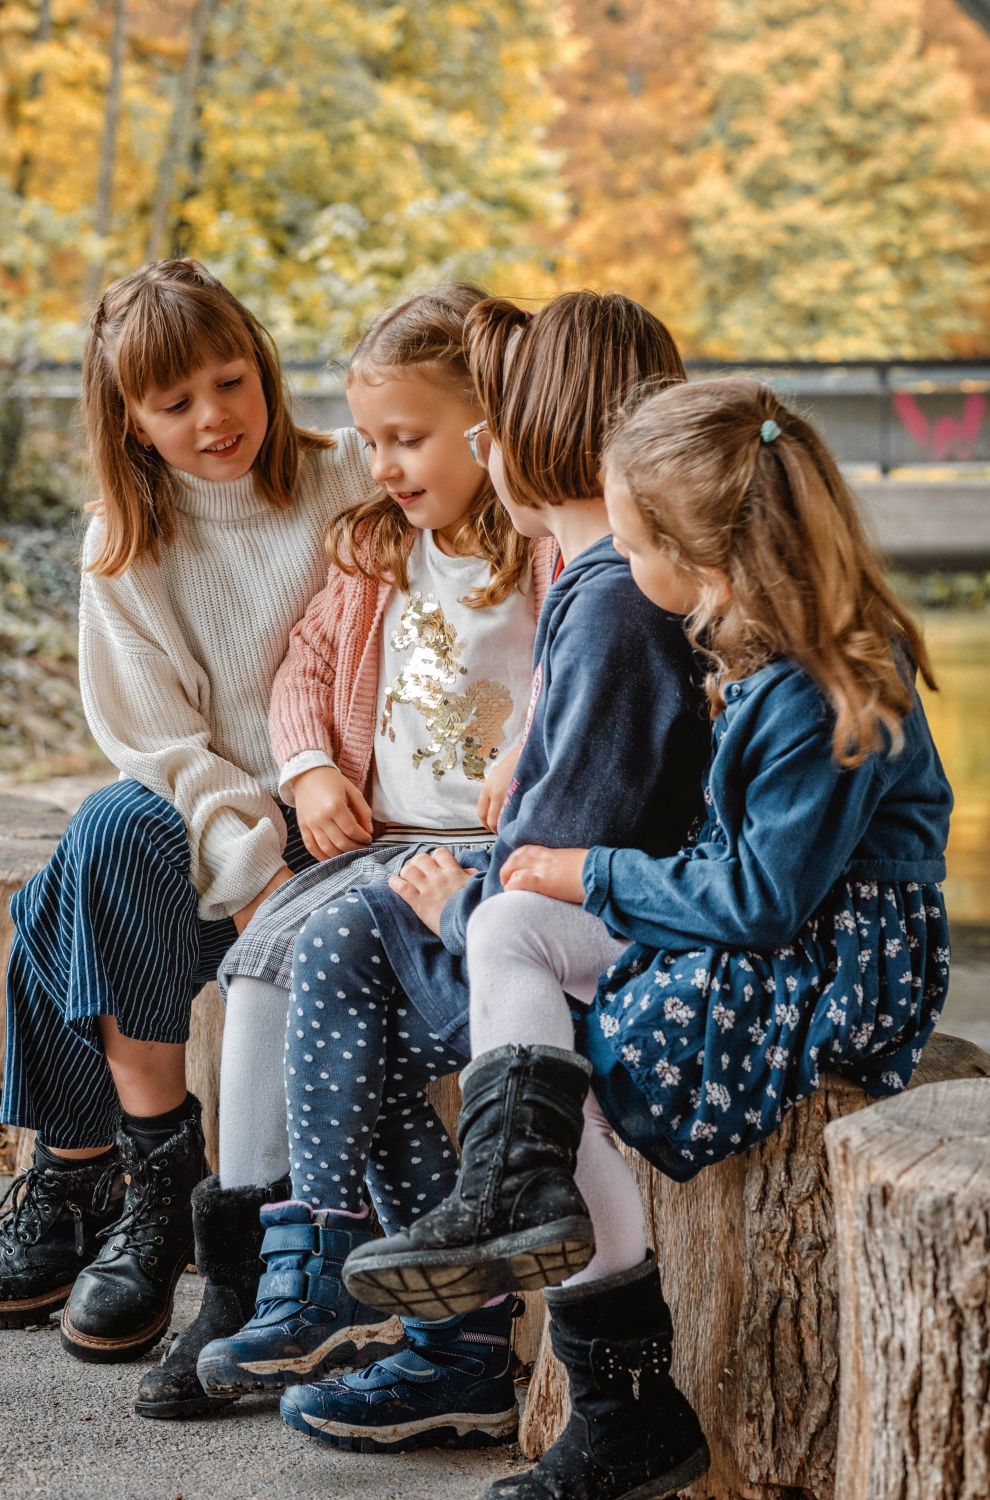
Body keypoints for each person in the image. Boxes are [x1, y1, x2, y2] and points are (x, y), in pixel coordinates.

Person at [354, 378, 953, 1500]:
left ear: (703, 554)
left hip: (829, 972)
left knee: (601, 1030)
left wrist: (600, 871)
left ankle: (624, 1405)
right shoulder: (750, 644)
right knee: (514, 928)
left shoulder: (830, 687)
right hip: (764, 938)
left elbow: (762, 903)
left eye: (629, 544)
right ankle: (517, 1187)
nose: (621, 569)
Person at [274, 292, 710, 1453]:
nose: (474, 454)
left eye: (485, 428)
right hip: (570, 901)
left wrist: (466, 894)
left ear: (534, 431)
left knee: (357, 958)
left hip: (612, 922)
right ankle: (393, 1284)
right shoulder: (595, 580)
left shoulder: (615, 594)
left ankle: (404, 1290)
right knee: (337, 955)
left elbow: (571, 840)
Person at [0, 261, 378, 1400]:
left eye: (231, 379)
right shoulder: (126, 543)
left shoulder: (347, 477)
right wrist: (251, 864)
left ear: (261, 363)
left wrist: (294, 830)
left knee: (55, 894)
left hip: (343, 820)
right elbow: (161, 749)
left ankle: (83, 1178)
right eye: (175, 403)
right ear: (128, 417)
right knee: (112, 825)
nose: (216, 418)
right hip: (220, 835)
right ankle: (160, 1191)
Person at [192, 282, 557, 1418]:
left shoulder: (546, 558)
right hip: (378, 847)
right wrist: (306, 772)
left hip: (481, 861)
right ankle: (270, 1257)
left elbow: (581, 683)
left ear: (487, 428)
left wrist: (535, 759)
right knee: (259, 969)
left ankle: (389, 1297)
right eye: (372, 441)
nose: (385, 465)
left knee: (359, 1004)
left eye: (409, 438)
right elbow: (303, 674)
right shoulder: (374, 552)